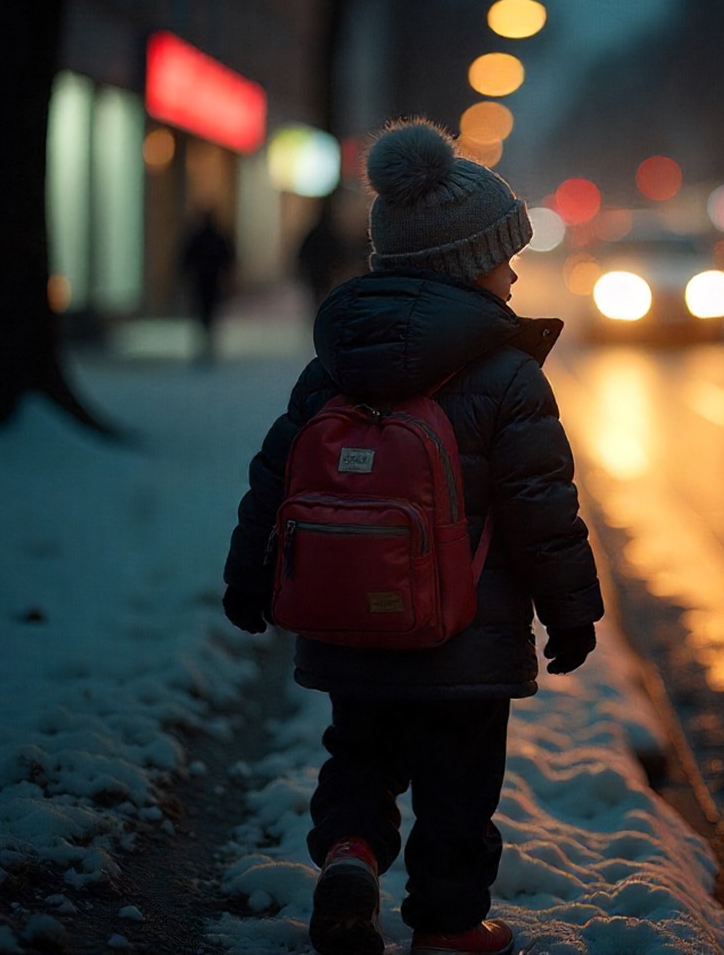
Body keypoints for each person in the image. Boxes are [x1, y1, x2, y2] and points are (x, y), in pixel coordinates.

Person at [221, 118, 603, 955]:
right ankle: (450, 925)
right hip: (467, 633)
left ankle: (350, 858)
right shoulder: (506, 375)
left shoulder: (333, 364)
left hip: (350, 621)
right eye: (507, 255)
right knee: (460, 789)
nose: (512, 273)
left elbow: (275, 478)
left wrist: (248, 579)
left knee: (357, 755)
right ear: (471, 263)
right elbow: (543, 505)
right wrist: (571, 613)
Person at [180, 209, 234, 361]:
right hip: (211, 280)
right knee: (209, 311)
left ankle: (205, 340)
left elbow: (187, 260)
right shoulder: (217, 237)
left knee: (204, 311)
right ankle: (207, 340)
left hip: (203, 280)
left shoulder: (200, 237)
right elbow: (228, 260)